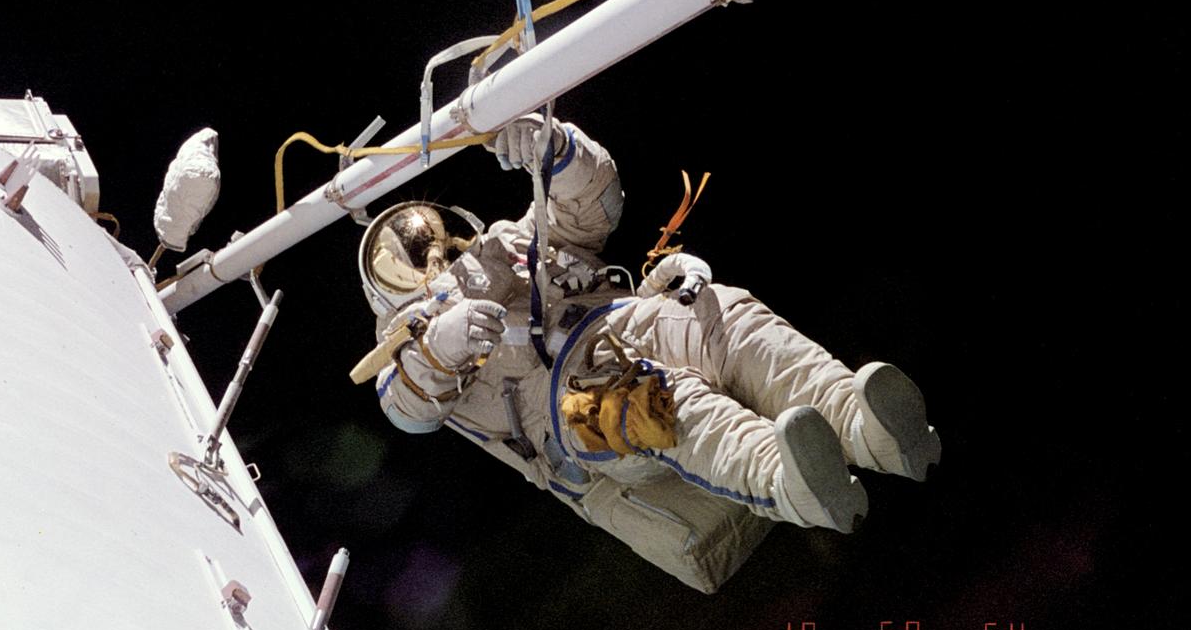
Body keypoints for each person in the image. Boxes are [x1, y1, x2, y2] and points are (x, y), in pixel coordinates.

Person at [359, 115, 940, 542]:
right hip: (574, 417)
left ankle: (867, 426)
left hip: (623, 321)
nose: (429, 255)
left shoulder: (509, 246)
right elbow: (407, 409)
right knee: (651, 400)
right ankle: (790, 481)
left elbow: (592, 204)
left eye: (425, 237)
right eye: (407, 256)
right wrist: (438, 345)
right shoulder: (408, 346)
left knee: (722, 318)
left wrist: (555, 150)